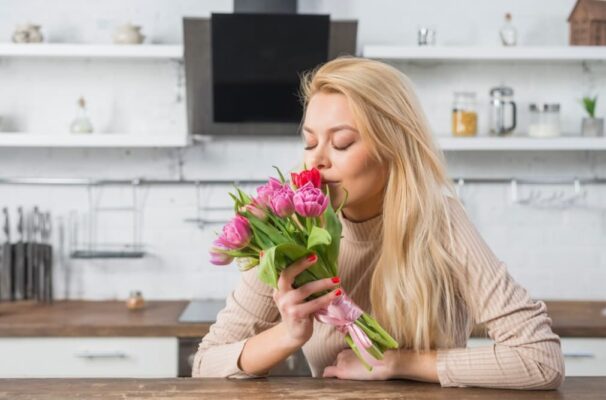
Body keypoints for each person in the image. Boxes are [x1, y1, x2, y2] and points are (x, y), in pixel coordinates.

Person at [192, 57, 565, 389]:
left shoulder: (441, 222)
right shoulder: (288, 232)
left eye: (341, 143)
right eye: (309, 143)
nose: (316, 161)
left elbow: (539, 359)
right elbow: (206, 364)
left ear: (391, 149)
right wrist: (287, 334)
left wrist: (395, 362)